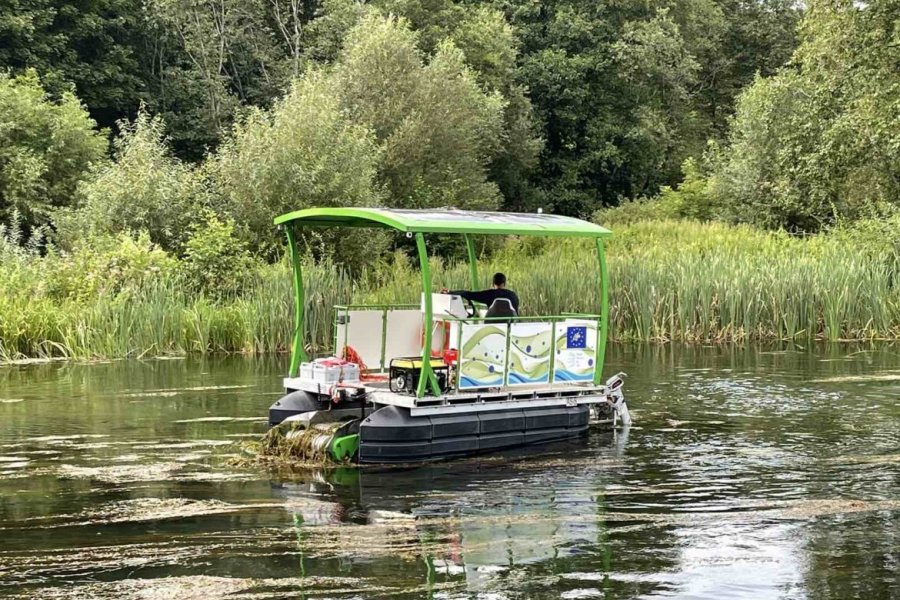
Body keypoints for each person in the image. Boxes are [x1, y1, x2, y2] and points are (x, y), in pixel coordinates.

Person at [442, 272, 520, 316]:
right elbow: (516, 312)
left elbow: (468, 294)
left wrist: (450, 292)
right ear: (504, 283)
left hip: (493, 327)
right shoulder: (513, 295)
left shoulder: (489, 294)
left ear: (493, 284)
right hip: (510, 326)